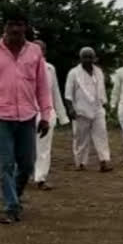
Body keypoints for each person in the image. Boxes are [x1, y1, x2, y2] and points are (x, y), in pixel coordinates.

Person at [0, 7, 52, 224]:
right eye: (11, 24)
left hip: (27, 116)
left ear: (26, 27)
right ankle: (11, 206)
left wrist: (46, 115)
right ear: (4, 27)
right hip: (0, 117)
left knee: (27, 165)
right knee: (5, 164)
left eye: (20, 24)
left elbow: (43, 88)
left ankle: (14, 195)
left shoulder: (35, 52)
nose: (16, 28)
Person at [64, 47, 113, 172]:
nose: (87, 59)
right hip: (80, 111)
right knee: (81, 138)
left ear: (94, 58)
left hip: (97, 109)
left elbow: (101, 90)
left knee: (102, 135)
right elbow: (68, 94)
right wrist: (70, 109)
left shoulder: (99, 72)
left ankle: (104, 162)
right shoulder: (73, 73)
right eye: (85, 57)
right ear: (80, 58)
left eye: (90, 57)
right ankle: (80, 163)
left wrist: (105, 105)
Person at [32, 40, 70, 190]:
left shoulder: (50, 69)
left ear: (45, 51)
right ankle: (26, 174)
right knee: (27, 148)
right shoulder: (21, 67)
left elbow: (55, 93)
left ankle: (40, 178)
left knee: (44, 148)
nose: (37, 52)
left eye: (41, 49)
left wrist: (62, 116)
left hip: (46, 114)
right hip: (26, 113)